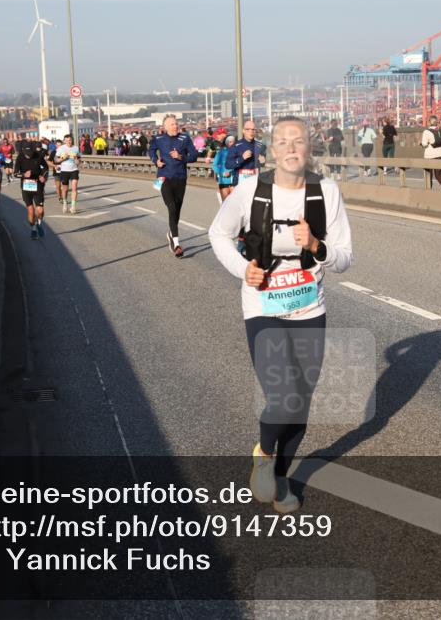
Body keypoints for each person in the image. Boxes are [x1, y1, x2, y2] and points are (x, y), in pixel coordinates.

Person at [208, 116, 352, 513]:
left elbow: (344, 258)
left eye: (299, 141)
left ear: (310, 148)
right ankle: (264, 452)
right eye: (283, 141)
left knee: (300, 405)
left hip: (309, 306)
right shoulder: (250, 189)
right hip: (263, 303)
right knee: (284, 395)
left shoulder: (327, 192)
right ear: (272, 150)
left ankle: (282, 478)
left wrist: (317, 245)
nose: (291, 148)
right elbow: (217, 234)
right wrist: (243, 269)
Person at [148, 114, 198, 257]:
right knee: (171, 207)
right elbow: (150, 151)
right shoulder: (158, 139)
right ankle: (176, 244)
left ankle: (171, 233)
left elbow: (194, 156)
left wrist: (181, 157)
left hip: (180, 178)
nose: (175, 126)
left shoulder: (185, 138)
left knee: (177, 210)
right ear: (165, 127)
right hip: (164, 177)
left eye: (176, 124)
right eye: (172, 124)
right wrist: (155, 161)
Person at [15, 137, 50, 239]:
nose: (29, 156)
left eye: (30, 153)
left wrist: (44, 176)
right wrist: (23, 174)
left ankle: (39, 224)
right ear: (23, 151)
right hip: (26, 187)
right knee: (31, 211)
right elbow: (15, 174)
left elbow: (46, 168)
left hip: (37, 185)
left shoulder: (38, 156)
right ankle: (33, 229)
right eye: (27, 154)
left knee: (40, 211)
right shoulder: (20, 158)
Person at [226, 120, 267, 185]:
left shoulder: (261, 146)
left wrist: (263, 162)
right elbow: (228, 165)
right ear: (243, 131)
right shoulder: (235, 146)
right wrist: (242, 158)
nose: (251, 132)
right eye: (248, 129)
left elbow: (262, 165)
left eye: (253, 129)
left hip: (255, 183)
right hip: (239, 184)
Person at [54, 134, 81, 214]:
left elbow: (78, 160)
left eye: (70, 140)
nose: (69, 142)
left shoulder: (76, 148)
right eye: (67, 140)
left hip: (74, 170)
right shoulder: (61, 148)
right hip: (65, 170)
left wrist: (77, 161)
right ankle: (65, 203)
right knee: (65, 189)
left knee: (74, 188)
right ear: (64, 141)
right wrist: (63, 158)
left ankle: (73, 207)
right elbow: (56, 160)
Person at [420, 115, 441, 191]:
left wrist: (420, 143)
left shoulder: (426, 132)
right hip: (440, 156)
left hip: (429, 156)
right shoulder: (440, 131)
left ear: (429, 122)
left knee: (429, 175)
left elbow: (424, 144)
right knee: (438, 175)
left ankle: (429, 191)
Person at [213, 135, 238, 201]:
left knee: (234, 204)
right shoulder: (221, 152)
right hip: (224, 181)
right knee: (225, 205)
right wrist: (222, 173)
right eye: (230, 142)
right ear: (226, 143)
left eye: (233, 142)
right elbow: (214, 165)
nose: (232, 143)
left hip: (235, 181)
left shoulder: (238, 153)